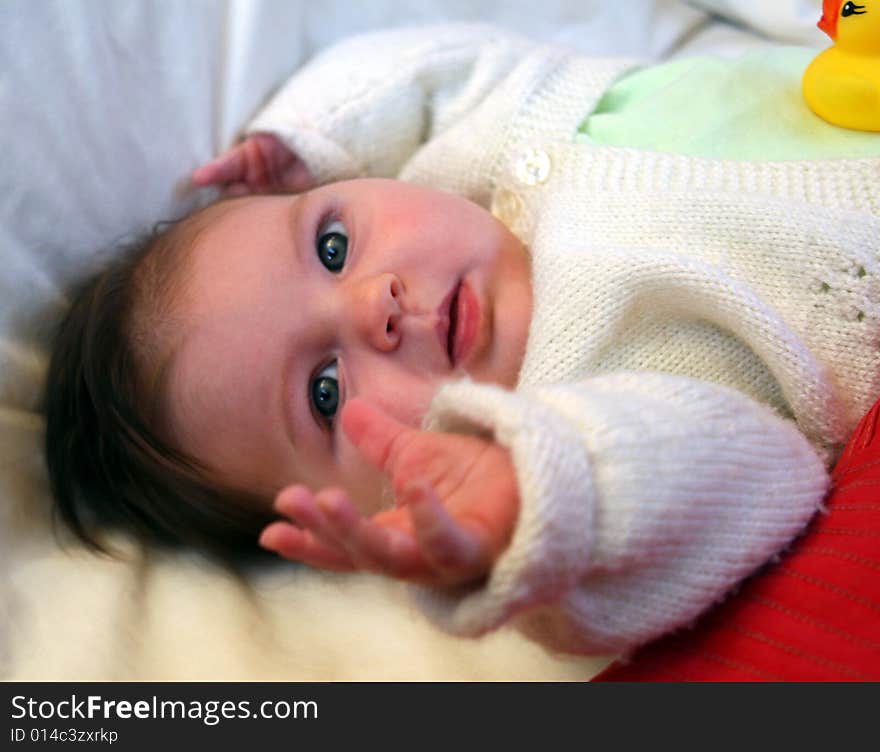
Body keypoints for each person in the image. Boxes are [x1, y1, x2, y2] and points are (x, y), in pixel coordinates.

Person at [45, 24, 880, 656]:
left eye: (332, 246)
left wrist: (310, 131)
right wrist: (539, 500)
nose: (376, 305)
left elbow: (435, 72)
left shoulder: (490, 146)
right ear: (388, 505)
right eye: (325, 392)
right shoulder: (581, 407)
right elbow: (751, 479)